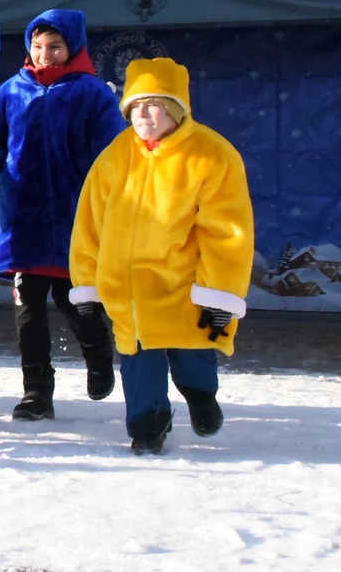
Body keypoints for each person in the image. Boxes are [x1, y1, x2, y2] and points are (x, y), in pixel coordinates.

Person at [0, 9, 126, 421]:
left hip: (74, 221)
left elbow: (115, 155)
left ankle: (97, 351)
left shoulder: (93, 95)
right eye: (38, 47)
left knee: (76, 302)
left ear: (73, 46)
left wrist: (117, 204)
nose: (45, 55)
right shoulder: (10, 92)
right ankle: (36, 393)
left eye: (55, 46)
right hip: (23, 218)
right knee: (28, 310)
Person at [70, 57, 254, 455]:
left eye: (153, 104)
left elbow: (228, 233)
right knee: (138, 358)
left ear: (176, 108)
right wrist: (86, 284)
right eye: (135, 106)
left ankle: (201, 396)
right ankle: (148, 425)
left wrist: (219, 293)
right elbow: (89, 224)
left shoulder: (212, 156)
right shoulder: (114, 156)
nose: (143, 115)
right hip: (129, 291)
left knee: (192, 353)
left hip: (184, 288)